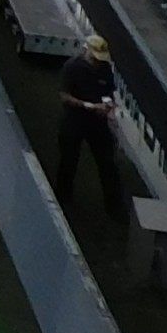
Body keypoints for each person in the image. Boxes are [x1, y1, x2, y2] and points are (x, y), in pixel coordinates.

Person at [52, 36, 123, 219]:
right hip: (74, 119)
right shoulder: (72, 67)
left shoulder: (105, 69)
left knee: (107, 163)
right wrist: (89, 105)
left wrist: (109, 107)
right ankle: (62, 200)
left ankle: (114, 208)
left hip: (97, 123)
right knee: (68, 161)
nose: (98, 62)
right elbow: (64, 95)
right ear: (87, 51)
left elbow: (109, 92)